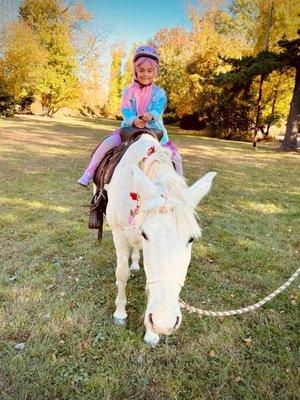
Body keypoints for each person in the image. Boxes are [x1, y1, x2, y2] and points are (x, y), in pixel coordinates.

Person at [77, 45, 183, 187]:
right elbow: (125, 109)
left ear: (155, 71)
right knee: (105, 145)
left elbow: (158, 110)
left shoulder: (159, 93)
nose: (145, 74)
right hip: (130, 130)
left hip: (155, 132)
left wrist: (149, 116)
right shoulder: (128, 91)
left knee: (176, 157)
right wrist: (134, 119)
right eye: (141, 70)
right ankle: (88, 173)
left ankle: (180, 188)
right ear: (135, 70)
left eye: (150, 71)